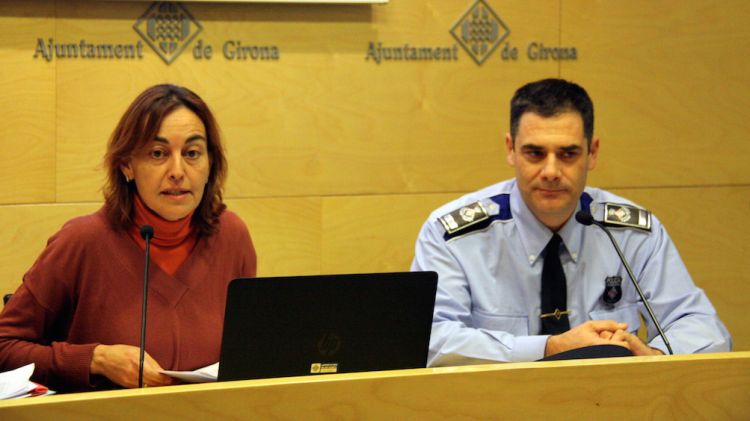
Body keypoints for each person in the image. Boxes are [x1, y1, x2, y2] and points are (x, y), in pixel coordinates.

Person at [411, 78, 731, 366]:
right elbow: (429, 340)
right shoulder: (451, 235)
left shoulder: (631, 232)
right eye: (535, 153)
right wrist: (550, 347)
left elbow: (704, 328)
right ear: (511, 150)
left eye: (568, 154)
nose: (551, 171)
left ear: (592, 153)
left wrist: (653, 355)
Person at [0, 84, 257, 392]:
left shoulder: (232, 236)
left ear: (210, 163)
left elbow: (248, 352)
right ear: (127, 165)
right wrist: (96, 359)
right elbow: (4, 348)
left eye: (192, 153)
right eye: (158, 153)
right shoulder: (82, 241)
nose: (178, 170)